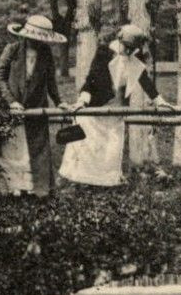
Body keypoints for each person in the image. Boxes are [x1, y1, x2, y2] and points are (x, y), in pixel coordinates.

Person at [59, 24, 174, 187]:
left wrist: (160, 101)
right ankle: (80, 183)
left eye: (131, 48)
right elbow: (90, 81)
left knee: (111, 150)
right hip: (96, 106)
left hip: (115, 111)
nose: (126, 51)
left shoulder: (135, 61)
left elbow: (146, 82)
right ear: (119, 40)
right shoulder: (104, 53)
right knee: (86, 146)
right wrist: (82, 101)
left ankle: (106, 183)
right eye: (125, 46)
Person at [0, 15, 67, 196]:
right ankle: (13, 190)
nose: (37, 42)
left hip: (36, 106)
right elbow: (1, 79)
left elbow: (51, 82)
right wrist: (11, 102)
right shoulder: (12, 50)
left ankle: (39, 191)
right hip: (12, 107)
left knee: (38, 150)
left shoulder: (46, 54)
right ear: (26, 36)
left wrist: (59, 102)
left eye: (41, 39)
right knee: (13, 148)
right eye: (34, 38)